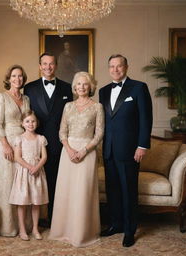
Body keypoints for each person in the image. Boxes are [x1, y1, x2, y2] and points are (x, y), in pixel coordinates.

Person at [99, 54, 153, 247]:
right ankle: (116, 224)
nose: (115, 70)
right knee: (113, 191)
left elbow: (146, 119)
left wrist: (142, 145)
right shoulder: (103, 91)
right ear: (108, 69)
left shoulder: (138, 88)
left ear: (127, 67)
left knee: (129, 190)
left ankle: (130, 230)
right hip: (109, 150)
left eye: (119, 66)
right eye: (112, 66)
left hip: (130, 150)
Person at [49, 71, 104, 247]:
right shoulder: (68, 106)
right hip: (68, 153)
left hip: (87, 153)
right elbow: (62, 131)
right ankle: (64, 230)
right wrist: (69, 149)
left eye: (85, 84)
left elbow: (99, 134)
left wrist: (83, 151)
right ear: (74, 87)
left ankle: (82, 233)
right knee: (67, 191)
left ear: (91, 87)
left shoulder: (97, 107)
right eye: (78, 84)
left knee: (83, 192)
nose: (81, 87)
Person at [24, 52, 73, 225]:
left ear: (56, 66)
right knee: (35, 180)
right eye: (44, 64)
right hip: (36, 143)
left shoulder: (68, 88)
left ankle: (55, 217)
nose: (48, 67)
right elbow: (26, 116)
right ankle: (36, 220)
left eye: (51, 64)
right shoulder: (29, 88)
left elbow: (71, 117)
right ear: (39, 66)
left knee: (56, 180)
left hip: (60, 143)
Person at [0, 64, 30, 237]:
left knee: (21, 184)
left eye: (20, 76)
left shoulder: (26, 98)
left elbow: (29, 120)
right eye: (14, 76)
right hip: (7, 143)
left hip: (24, 143)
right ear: (8, 78)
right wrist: (5, 145)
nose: (17, 79)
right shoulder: (1, 97)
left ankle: (23, 225)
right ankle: (6, 226)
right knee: (7, 184)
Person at [9, 111, 48, 241]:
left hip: (37, 172)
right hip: (24, 172)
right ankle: (22, 230)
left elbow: (44, 157)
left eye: (33, 121)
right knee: (22, 202)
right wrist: (30, 167)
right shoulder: (19, 139)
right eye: (27, 121)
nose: (30, 124)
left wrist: (37, 167)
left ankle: (35, 229)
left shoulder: (41, 138)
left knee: (36, 202)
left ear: (37, 123)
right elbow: (17, 157)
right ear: (22, 123)